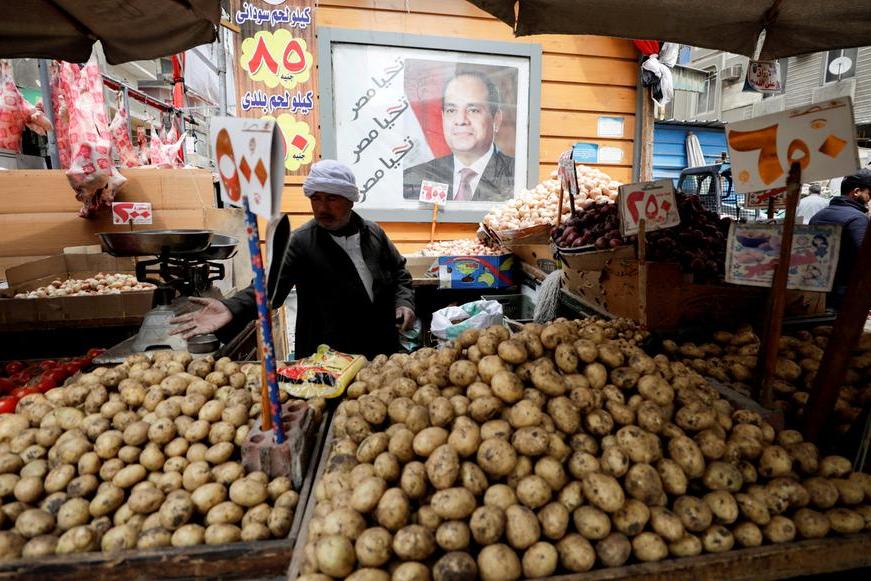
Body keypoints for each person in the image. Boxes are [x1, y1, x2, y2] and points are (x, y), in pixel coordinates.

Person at [171, 160, 416, 359]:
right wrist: (231, 307)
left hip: (381, 351)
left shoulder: (373, 233)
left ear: (350, 200)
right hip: (328, 357)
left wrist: (404, 303)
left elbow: (400, 273)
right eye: (315, 198)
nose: (321, 207)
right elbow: (269, 287)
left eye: (331, 198)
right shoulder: (301, 242)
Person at [403, 71, 514, 202]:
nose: (461, 120)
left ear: (496, 119)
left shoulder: (517, 177)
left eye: (473, 110)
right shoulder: (414, 177)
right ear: (443, 118)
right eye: (451, 110)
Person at [809, 169, 871, 308]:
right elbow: (864, 259)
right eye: (869, 193)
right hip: (844, 293)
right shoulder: (857, 219)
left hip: (819, 291)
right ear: (856, 192)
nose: (869, 199)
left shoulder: (819, 215)